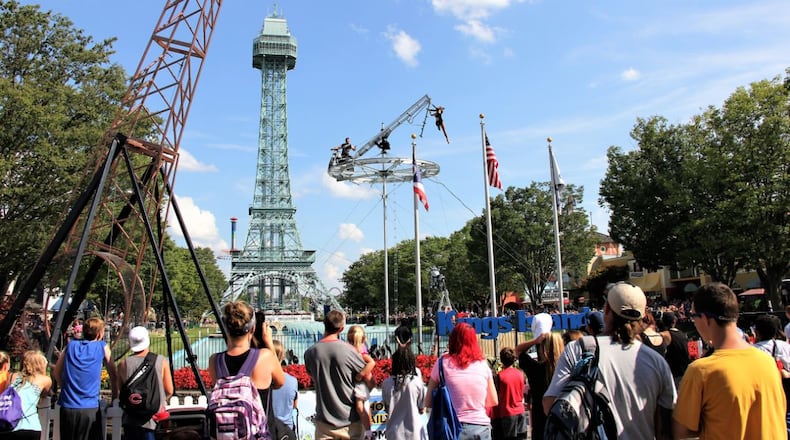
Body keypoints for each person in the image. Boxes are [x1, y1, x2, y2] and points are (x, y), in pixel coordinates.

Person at [543, 283, 676, 440]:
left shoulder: (579, 349)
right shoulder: (657, 362)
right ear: (642, 317)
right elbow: (665, 429)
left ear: (606, 310)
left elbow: (550, 404)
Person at [673, 283, 787, 439]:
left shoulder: (701, 371)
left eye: (693, 316)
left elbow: (682, 431)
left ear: (705, 319)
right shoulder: (768, 362)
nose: (693, 322)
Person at [208, 301, 285, 434]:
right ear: (253, 328)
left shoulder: (215, 361)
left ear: (226, 329)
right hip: (259, 433)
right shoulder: (265, 357)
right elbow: (280, 382)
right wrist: (269, 343)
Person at [304, 310, 375, 440]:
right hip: (350, 424)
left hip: (324, 423)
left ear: (324, 324)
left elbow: (311, 375)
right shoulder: (350, 351)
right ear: (341, 328)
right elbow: (370, 380)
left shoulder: (311, 353)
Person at [425, 322, 498, 440]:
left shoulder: (442, 363)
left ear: (453, 340)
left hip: (452, 428)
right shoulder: (483, 365)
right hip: (481, 428)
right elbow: (493, 400)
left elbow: (428, 402)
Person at [54, 316, 118, 440]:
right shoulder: (102, 346)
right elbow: (113, 374)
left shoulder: (70, 346)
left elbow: (57, 372)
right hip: (89, 407)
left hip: (68, 406)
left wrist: (65, 388)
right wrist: (115, 397)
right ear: (99, 334)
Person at [117, 326, 174, 440]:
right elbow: (169, 390)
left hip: (131, 419)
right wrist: (158, 401)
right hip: (154, 419)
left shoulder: (123, 364)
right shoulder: (160, 361)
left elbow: (122, 391)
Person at [517, 332, 564, 440]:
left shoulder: (536, 369)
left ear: (543, 348)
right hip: (561, 421)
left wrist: (535, 341)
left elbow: (518, 350)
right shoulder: (566, 371)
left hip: (540, 422)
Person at [381, 345, 427, 440]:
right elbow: (421, 409)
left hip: (394, 433)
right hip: (415, 432)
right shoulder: (417, 382)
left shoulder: (386, 383)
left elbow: (387, 407)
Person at [6, 350, 52, 440]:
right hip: (30, 426)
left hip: (9, 425)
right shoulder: (44, 380)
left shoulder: (12, 376)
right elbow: (45, 394)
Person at [491, 347, 527, 440]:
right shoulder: (521, 374)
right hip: (521, 411)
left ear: (501, 360)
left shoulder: (500, 376)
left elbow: (497, 395)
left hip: (508, 413)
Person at [346, 325, 374, 438]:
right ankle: (368, 431)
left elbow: (371, 362)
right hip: (359, 383)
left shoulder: (360, 351)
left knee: (360, 407)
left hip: (360, 383)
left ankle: (368, 432)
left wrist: (361, 374)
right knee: (363, 407)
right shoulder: (356, 350)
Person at [271, 339, 299, 431]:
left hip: (268, 429)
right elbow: (294, 406)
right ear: (282, 356)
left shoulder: (261, 381)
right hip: (287, 430)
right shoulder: (293, 381)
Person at [659, 311, 689, 388]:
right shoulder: (682, 334)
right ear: (674, 321)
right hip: (684, 372)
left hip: (673, 374)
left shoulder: (665, 335)